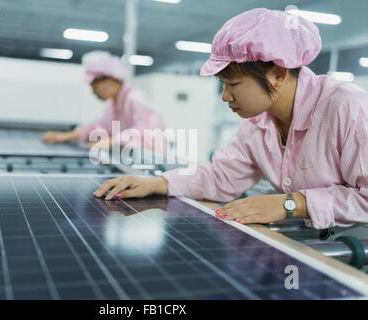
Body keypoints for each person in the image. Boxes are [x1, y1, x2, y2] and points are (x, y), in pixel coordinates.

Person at [93, 8, 368, 230]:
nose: (225, 97)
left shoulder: (346, 106)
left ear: (277, 74)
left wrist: (292, 204)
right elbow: (221, 176)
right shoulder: (259, 121)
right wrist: (159, 183)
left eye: (232, 85)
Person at [43, 53, 164, 150]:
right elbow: (100, 127)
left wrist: (111, 141)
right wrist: (66, 136)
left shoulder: (135, 99)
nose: (93, 91)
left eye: (94, 85)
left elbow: (144, 134)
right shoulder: (112, 105)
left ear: (111, 79)